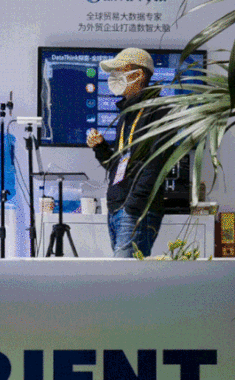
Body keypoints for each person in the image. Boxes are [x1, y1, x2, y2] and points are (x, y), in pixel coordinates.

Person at [87, 48, 168, 258]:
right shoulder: (126, 114)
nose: (114, 76)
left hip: (135, 210)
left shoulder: (159, 111)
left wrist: (133, 206)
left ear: (138, 74)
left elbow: (156, 164)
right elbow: (118, 166)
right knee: (123, 272)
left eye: (120, 70)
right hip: (117, 208)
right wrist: (100, 147)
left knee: (124, 273)